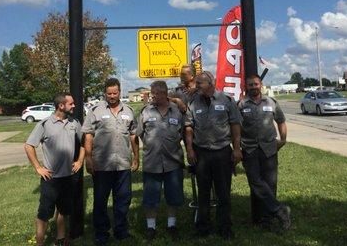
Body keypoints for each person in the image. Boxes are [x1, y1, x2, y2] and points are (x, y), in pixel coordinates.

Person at [185, 71, 242, 240]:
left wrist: (237, 148)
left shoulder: (226, 100)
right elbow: (189, 126)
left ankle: (225, 228)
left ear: (210, 84)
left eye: (199, 83)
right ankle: (203, 227)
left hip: (222, 152)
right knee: (203, 192)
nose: (196, 86)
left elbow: (235, 125)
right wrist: (189, 149)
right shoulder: (193, 102)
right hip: (201, 153)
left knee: (223, 192)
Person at [82, 78, 139, 245]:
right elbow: (88, 135)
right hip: (102, 164)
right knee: (100, 200)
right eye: (109, 93)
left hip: (122, 164)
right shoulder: (95, 110)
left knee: (123, 200)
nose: (112, 96)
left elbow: (133, 135)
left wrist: (136, 157)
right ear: (104, 93)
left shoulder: (128, 111)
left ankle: (121, 231)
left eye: (115, 93)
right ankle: (102, 232)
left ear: (119, 92)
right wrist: (88, 159)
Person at [24, 93, 85, 246]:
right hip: (50, 179)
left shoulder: (75, 123)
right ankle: (40, 243)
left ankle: (61, 240)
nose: (74, 106)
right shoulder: (44, 124)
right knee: (44, 214)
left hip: (68, 177)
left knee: (64, 211)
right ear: (61, 106)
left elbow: (84, 143)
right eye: (71, 103)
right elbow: (29, 145)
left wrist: (79, 161)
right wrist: (38, 167)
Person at [238, 74, 291, 232]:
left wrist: (283, 140)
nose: (253, 87)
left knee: (270, 184)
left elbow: (281, 121)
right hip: (249, 148)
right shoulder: (240, 105)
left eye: (255, 84)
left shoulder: (271, 102)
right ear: (246, 86)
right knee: (255, 182)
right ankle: (279, 210)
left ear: (260, 84)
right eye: (250, 85)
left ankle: (267, 219)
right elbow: (236, 128)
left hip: (269, 149)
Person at [137, 80, 186, 241]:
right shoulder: (146, 111)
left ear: (165, 94)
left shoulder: (177, 111)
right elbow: (139, 133)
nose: (154, 97)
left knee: (174, 197)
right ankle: (151, 227)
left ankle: (172, 225)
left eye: (157, 94)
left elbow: (184, 132)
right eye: (153, 94)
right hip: (152, 163)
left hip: (173, 162)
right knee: (151, 198)